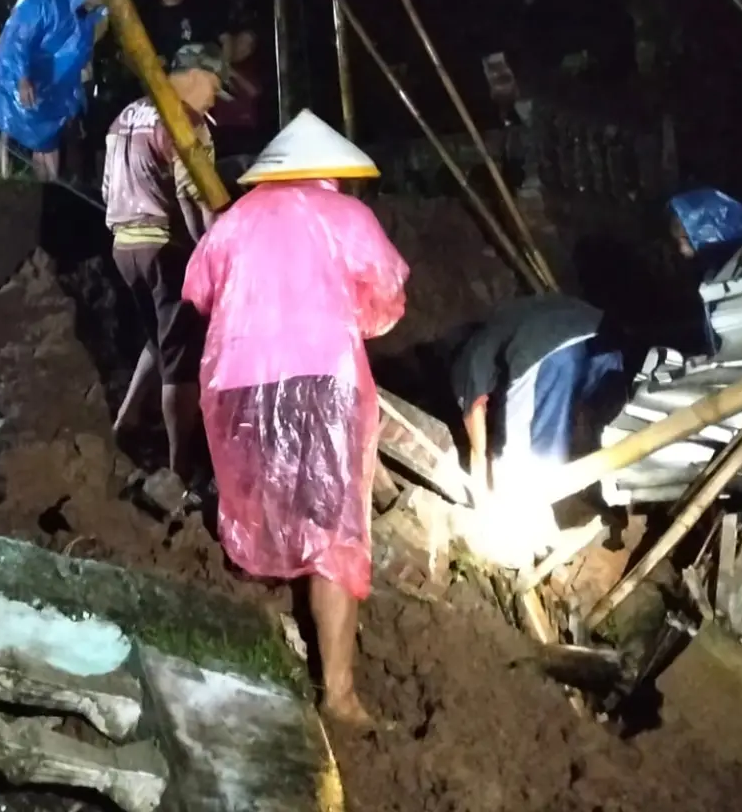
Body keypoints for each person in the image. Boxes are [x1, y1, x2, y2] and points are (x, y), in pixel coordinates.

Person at [182, 109, 410, 730]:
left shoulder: (236, 220)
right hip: (322, 380)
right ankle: (338, 695)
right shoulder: (347, 216)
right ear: (333, 170)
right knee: (334, 532)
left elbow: (199, 294)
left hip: (237, 383)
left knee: (263, 507)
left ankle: (254, 651)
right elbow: (388, 297)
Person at [104, 43, 231, 484]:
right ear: (195, 76)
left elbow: (106, 186)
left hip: (124, 246)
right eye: (214, 87)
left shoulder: (127, 114)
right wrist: (215, 251)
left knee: (160, 339)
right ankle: (179, 468)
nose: (214, 100)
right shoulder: (185, 121)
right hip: (164, 247)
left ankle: (126, 421)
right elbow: (192, 195)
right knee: (182, 358)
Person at [450, 294, 626, 496]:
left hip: (549, 351)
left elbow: (476, 425)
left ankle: (518, 504)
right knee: (594, 421)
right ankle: (598, 478)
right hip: (606, 344)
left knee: (522, 450)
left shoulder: (466, 367)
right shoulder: (503, 326)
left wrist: (481, 484)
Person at [0, 0, 109, 182]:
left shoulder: (81, 19)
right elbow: (20, 38)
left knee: (49, 137)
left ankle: (50, 187)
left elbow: (76, 54)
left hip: (49, 84)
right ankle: (11, 180)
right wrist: (22, 77)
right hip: (15, 74)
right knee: (14, 128)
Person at [211, 21, 269, 159]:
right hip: (221, 129)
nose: (245, 48)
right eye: (242, 42)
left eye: (250, 46)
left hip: (244, 130)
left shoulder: (251, 68)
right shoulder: (215, 61)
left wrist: (232, 73)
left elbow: (255, 92)